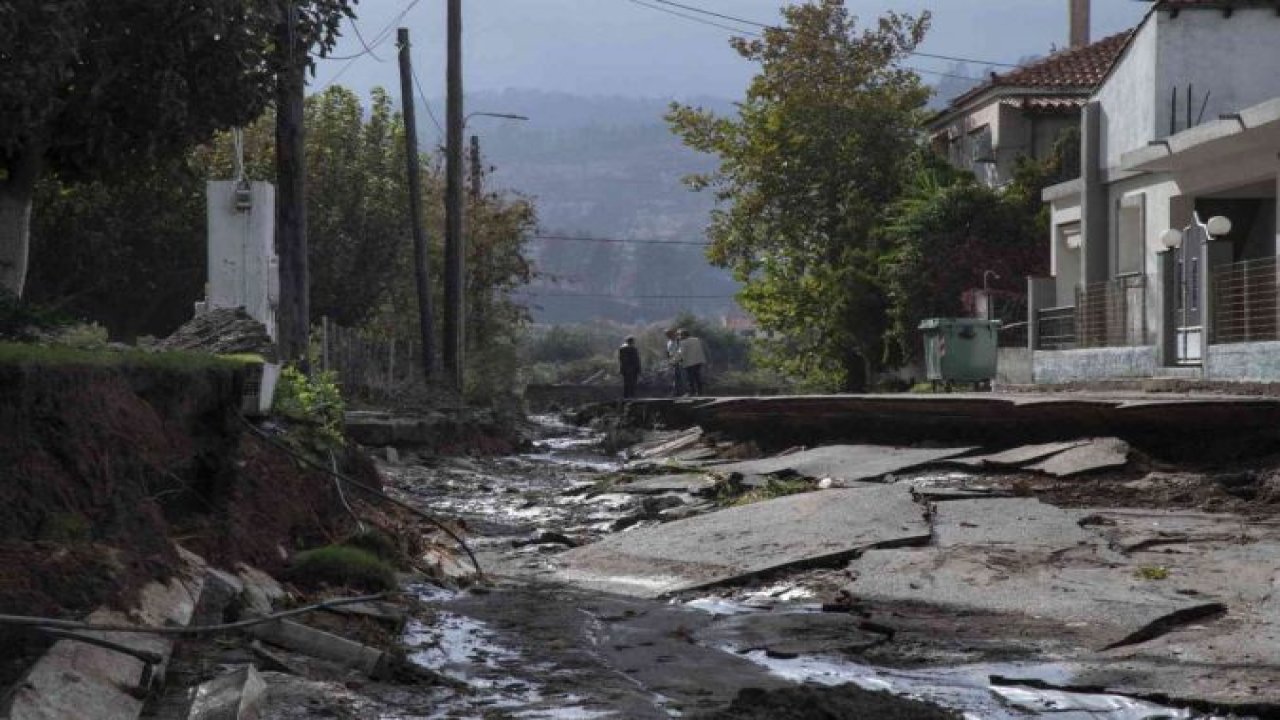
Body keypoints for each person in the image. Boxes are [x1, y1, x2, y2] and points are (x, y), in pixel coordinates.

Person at [678, 329, 707, 395]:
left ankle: (692, 392)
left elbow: (681, 353)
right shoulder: (696, 339)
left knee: (690, 378)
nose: (679, 336)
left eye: (679, 335)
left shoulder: (683, 342)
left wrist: (673, 361)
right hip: (699, 361)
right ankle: (700, 392)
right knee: (697, 377)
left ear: (684, 335)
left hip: (689, 363)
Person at [664, 328, 686, 396]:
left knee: (683, 377)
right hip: (673, 362)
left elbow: (682, 350)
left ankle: (685, 391)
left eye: (669, 334)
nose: (668, 336)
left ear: (672, 333)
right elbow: (668, 352)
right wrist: (669, 360)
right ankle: (677, 392)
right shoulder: (668, 343)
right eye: (667, 335)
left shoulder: (678, 340)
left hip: (680, 361)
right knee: (676, 377)